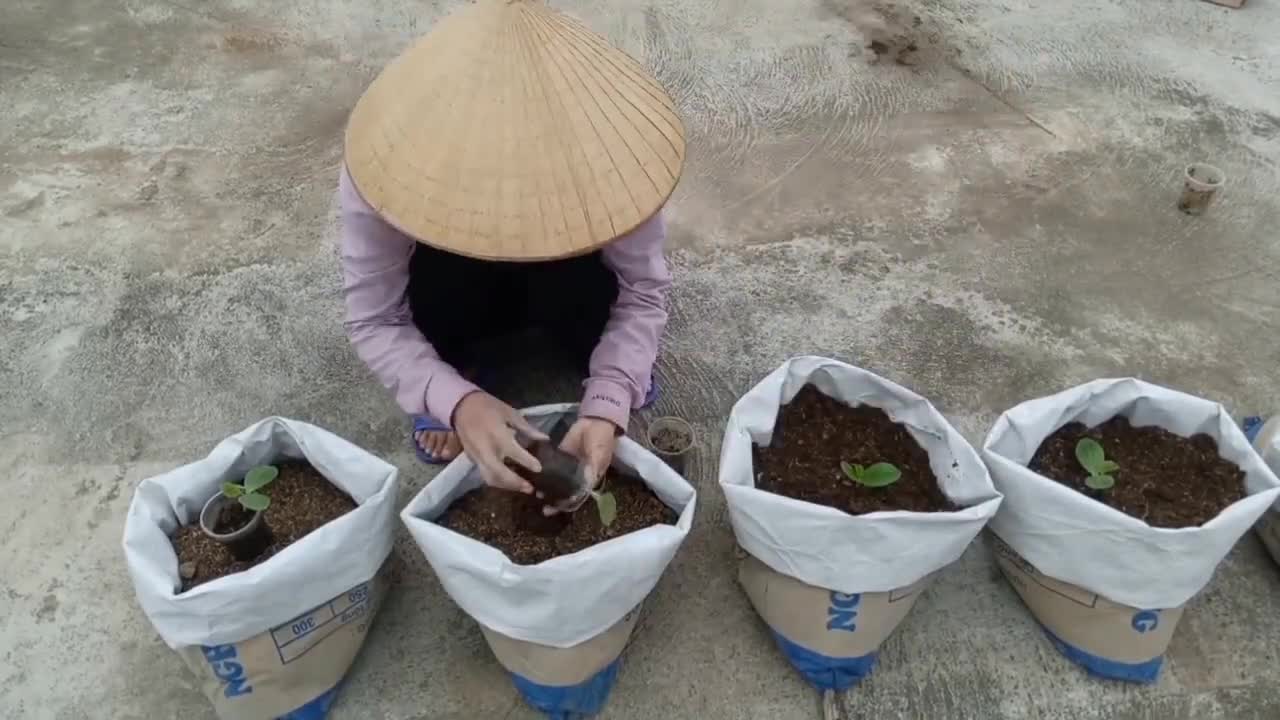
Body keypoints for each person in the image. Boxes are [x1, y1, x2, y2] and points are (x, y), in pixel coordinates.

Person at [337, 0, 686, 498]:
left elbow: (642, 293)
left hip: (568, 280)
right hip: (455, 285)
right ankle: (457, 365)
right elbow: (375, 318)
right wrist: (456, 401)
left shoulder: (612, 157)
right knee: (434, 313)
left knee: (611, 343)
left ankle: (599, 355)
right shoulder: (388, 160)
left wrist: (609, 393)